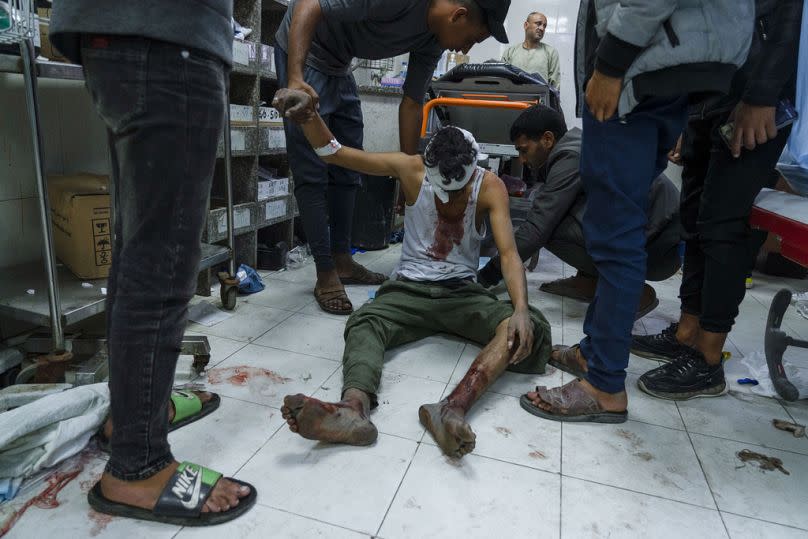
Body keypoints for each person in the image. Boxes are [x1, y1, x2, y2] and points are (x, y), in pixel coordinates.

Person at [49, 3, 256, 526]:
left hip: (122, 36)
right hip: (167, 39)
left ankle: (134, 418)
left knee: (138, 251)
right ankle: (137, 467)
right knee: (162, 263)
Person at [273, 88, 552, 458]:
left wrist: (518, 310)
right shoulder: (410, 168)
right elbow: (335, 153)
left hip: (461, 294)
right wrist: (310, 118)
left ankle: (451, 408)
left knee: (530, 330)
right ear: (428, 166)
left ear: (472, 170)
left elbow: (508, 253)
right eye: (442, 189)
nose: (449, 198)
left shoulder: (490, 186)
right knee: (364, 323)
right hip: (407, 291)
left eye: (458, 189)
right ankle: (353, 409)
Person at [519, 0, 754, 423]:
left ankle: (605, 384)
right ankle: (595, 354)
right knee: (618, 223)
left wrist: (608, 66)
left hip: (635, 73)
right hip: (665, 69)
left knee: (614, 234)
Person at [273, 0, 510, 315]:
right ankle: (325, 270)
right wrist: (295, 78)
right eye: (471, 39)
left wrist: (409, 178)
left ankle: (342, 259)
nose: (466, 47)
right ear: (459, 15)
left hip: (339, 64)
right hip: (306, 53)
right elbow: (309, 3)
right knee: (313, 168)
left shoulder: (432, 40)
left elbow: (412, 103)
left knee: (347, 171)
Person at [633, 0, 804, 400]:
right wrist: (683, 111)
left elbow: (788, 14)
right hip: (709, 95)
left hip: (751, 95)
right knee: (694, 218)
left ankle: (709, 358)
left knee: (723, 223)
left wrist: (763, 93)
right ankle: (686, 332)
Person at [477, 104, 681, 319]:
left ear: (547, 139)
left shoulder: (570, 157)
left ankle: (629, 291)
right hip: (662, 234)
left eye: (524, 150)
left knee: (546, 225)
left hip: (660, 247)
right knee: (555, 208)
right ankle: (589, 280)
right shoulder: (580, 143)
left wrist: (486, 276)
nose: (522, 160)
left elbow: (537, 228)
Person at [501, 12, 560, 89]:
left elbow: (555, 89)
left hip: (539, 100)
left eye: (544, 26)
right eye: (538, 24)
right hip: (513, 99)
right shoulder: (510, 52)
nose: (542, 28)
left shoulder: (551, 53)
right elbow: (502, 81)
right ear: (526, 25)